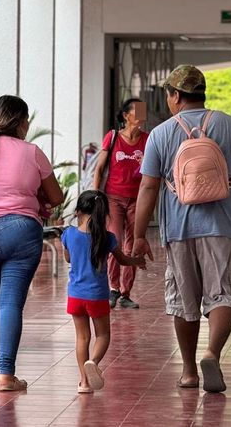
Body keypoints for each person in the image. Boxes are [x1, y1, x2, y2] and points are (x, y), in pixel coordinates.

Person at [132, 65, 231, 393]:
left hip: (178, 228)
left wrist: (138, 235)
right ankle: (212, 352)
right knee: (223, 292)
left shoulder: (162, 133)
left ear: (175, 95)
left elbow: (149, 188)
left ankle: (189, 370)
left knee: (184, 297)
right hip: (222, 225)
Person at [0, 95, 64, 391]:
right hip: (21, 230)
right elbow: (56, 197)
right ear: (21, 122)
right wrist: (35, 198)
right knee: (10, 303)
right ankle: (7, 374)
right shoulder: (32, 152)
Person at [62, 190, 146, 394]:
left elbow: (68, 259)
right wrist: (137, 260)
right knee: (103, 335)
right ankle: (94, 361)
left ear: (79, 211)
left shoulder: (68, 234)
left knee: (82, 338)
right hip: (97, 296)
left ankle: (84, 383)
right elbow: (123, 260)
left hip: (75, 295)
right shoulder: (107, 238)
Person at [92, 98, 149, 310]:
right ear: (126, 115)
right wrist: (96, 196)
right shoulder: (113, 136)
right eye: (137, 111)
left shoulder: (147, 139)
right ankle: (113, 288)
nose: (142, 115)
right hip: (113, 197)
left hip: (138, 199)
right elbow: (99, 169)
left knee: (133, 244)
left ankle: (126, 293)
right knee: (114, 240)